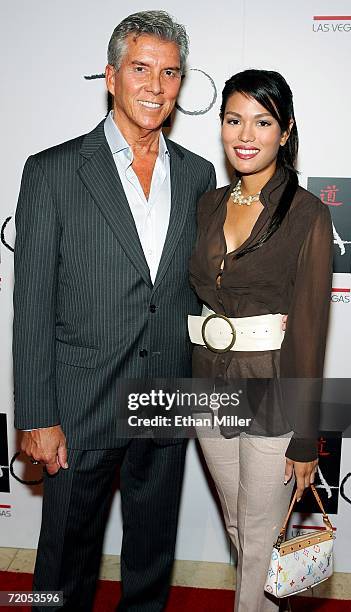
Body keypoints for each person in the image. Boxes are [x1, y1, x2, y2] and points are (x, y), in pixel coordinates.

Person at [13, 10, 216, 612]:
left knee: (151, 563)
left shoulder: (199, 175)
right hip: (79, 408)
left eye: (170, 72)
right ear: (110, 76)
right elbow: (31, 307)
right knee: (62, 567)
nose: (156, 86)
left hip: (165, 402)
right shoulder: (52, 171)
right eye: (141, 69)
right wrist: (37, 413)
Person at [188, 69, 333, 611]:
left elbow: (311, 333)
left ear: (285, 130)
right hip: (206, 387)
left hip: (272, 391)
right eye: (233, 119)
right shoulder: (206, 206)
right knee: (243, 527)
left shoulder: (307, 215)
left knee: (256, 534)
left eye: (262, 121)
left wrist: (305, 437)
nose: (245, 135)